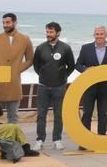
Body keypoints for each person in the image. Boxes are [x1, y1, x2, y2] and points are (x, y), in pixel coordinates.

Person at [0, 13, 33, 124]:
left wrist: (18, 69)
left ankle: (12, 140)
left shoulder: (25, 39)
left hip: (14, 84)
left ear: (15, 22)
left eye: (8, 22)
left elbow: (30, 60)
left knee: (13, 117)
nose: (5, 25)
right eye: (3, 22)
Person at [31, 22, 75, 151]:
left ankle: (57, 139)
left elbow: (71, 66)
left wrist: (63, 77)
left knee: (58, 114)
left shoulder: (65, 48)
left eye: (51, 32)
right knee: (41, 115)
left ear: (58, 33)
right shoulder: (40, 48)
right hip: (43, 86)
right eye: (47, 32)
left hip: (59, 87)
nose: (48, 34)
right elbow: (36, 66)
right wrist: (44, 75)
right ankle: (40, 140)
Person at [76, 26, 107, 138]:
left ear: (106, 35)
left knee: (103, 113)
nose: (99, 36)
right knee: (87, 113)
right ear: (94, 35)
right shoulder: (85, 48)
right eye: (97, 34)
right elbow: (78, 65)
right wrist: (85, 69)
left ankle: (102, 136)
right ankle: (84, 139)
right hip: (89, 86)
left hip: (105, 87)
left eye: (101, 34)